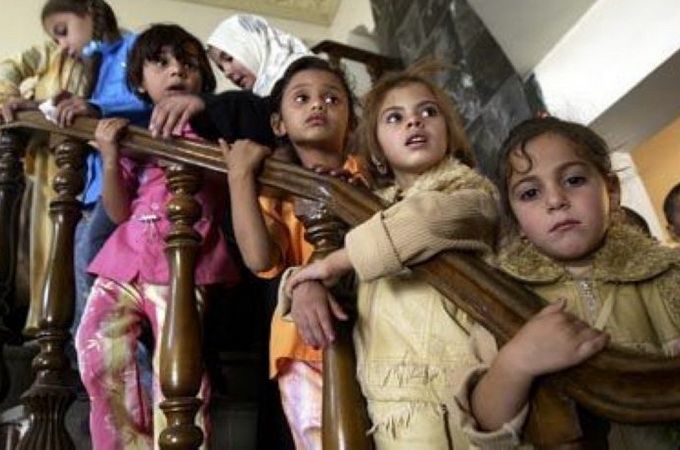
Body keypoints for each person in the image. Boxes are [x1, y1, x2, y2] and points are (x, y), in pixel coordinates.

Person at [283, 67, 610, 449]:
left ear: (449, 134)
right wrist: (302, 285)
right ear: (377, 150)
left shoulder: (474, 195)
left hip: (470, 398)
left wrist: (331, 264)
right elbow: (338, 272)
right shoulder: (367, 219)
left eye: (428, 112)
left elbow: (424, 220)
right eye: (395, 118)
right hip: (392, 415)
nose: (414, 122)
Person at [74, 24, 241, 448]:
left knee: (178, 371)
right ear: (139, 83)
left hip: (184, 265)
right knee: (95, 346)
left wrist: (207, 131)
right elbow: (117, 211)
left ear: (203, 79)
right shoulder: (139, 136)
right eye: (161, 64)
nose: (176, 71)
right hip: (125, 260)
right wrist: (110, 158)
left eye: (188, 64)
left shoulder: (216, 129)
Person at [489, 116, 680, 448]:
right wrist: (516, 362)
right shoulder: (503, 299)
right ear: (516, 220)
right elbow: (487, 424)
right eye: (530, 192)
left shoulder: (669, 276)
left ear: (612, 191)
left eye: (574, 180)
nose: (555, 200)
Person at [220, 56, 360, 449]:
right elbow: (260, 259)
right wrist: (239, 176)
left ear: (352, 121)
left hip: (371, 333)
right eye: (302, 98)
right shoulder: (279, 188)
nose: (318, 105)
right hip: (302, 344)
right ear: (279, 123)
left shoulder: (367, 173)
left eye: (332, 99)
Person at [0, 40, 87, 336]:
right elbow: (10, 68)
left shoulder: (107, 53)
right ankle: (39, 320)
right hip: (45, 160)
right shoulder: (51, 51)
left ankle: (70, 329)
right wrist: (11, 99)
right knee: (43, 238)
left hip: (88, 160)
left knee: (75, 243)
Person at [205, 13, 311, 96]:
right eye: (221, 68)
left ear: (253, 45)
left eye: (229, 58)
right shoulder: (257, 98)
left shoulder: (301, 71)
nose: (226, 73)